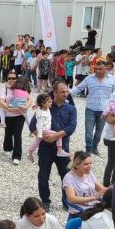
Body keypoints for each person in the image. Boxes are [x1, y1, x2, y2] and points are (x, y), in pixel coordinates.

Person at [32, 80, 76, 211]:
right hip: (45, 148)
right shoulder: (44, 107)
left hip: (63, 148)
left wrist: (56, 136)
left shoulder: (71, 109)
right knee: (43, 176)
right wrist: (42, 136)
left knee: (66, 176)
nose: (66, 94)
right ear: (55, 92)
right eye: (63, 92)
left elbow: (72, 127)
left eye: (67, 91)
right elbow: (32, 125)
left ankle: (67, 201)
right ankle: (45, 201)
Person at [70, 61, 115, 155]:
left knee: (99, 132)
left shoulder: (112, 79)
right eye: (97, 69)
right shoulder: (89, 78)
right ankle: (88, 149)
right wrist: (66, 93)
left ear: (106, 69)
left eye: (100, 69)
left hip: (104, 111)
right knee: (88, 132)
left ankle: (95, 147)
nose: (98, 71)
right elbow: (78, 88)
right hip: (90, 109)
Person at [62, 151, 108, 218]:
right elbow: (72, 199)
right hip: (80, 210)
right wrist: (93, 197)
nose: (90, 166)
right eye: (86, 164)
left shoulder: (89, 173)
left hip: (93, 206)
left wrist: (111, 190)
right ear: (76, 165)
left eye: (90, 163)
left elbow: (101, 189)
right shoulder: (69, 178)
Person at [0, 75, 32, 165]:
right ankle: (7, 148)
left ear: (17, 80)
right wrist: (10, 109)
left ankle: (17, 156)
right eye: (9, 78)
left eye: (13, 78)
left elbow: (30, 100)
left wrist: (26, 106)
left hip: (19, 115)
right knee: (8, 133)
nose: (11, 80)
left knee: (17, 135)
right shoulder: (5, 89)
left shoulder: (22, 89)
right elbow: (1, 102)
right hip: (8, 115)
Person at [28, 93, 69, 162]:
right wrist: (40, 134)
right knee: (59, 135)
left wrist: (65, 101)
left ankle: (30, 152)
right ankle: (59, 150)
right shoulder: (41, 114)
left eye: (51, 101)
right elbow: (39, 125)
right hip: (45, 131)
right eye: (49, 102)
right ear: (43, 103)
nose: (51, 103)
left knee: (36, 142)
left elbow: (37, 108)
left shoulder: (44, 108)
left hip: (45, 130)